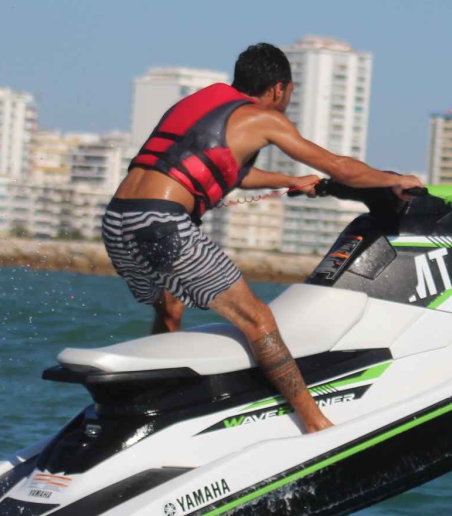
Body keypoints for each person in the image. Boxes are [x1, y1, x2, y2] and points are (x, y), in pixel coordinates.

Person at [103, 42, 422, 433]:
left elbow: (220, 170)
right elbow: (340, 168)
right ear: (277, 89)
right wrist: (397, 181)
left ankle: (162, 402)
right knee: (258, 320)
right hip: (162, 222)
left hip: (118, 220)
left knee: (169, 308)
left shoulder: (201, 103)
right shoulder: (262, 118)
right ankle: (317, 424)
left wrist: (288, 180)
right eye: (290, 92)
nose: (288, 100)